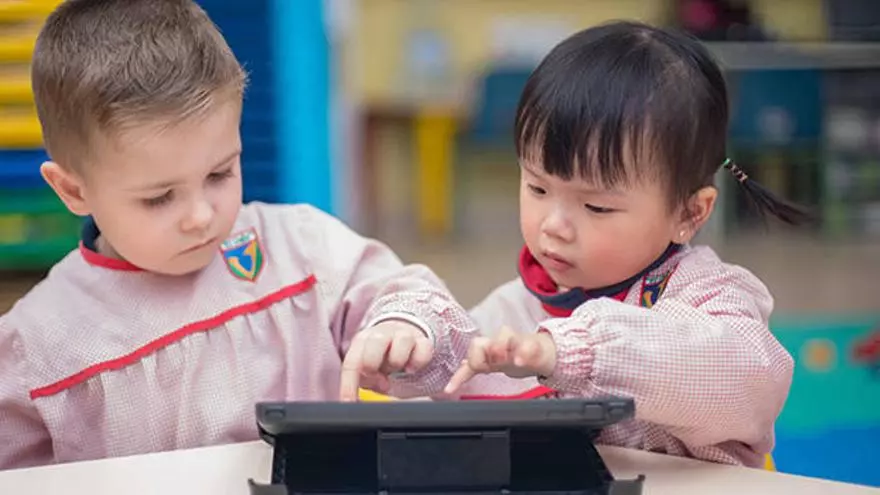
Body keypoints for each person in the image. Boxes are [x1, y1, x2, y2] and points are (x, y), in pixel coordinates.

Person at [0, 0, 471, 469]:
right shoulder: (40, 345)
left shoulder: (298, 249)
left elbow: (413, 302)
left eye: (220, 173)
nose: (201, 216)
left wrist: (404, 326)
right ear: (72, 189)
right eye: (160, 197)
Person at [345, 21, 802, 468]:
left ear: (689, 214)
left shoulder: (709, 296)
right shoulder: (520, 306)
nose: (554, 226)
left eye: (597, 207)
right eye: (538, 189)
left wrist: (573, 352)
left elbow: (748, 379)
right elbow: (463, 365)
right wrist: (415, 340)